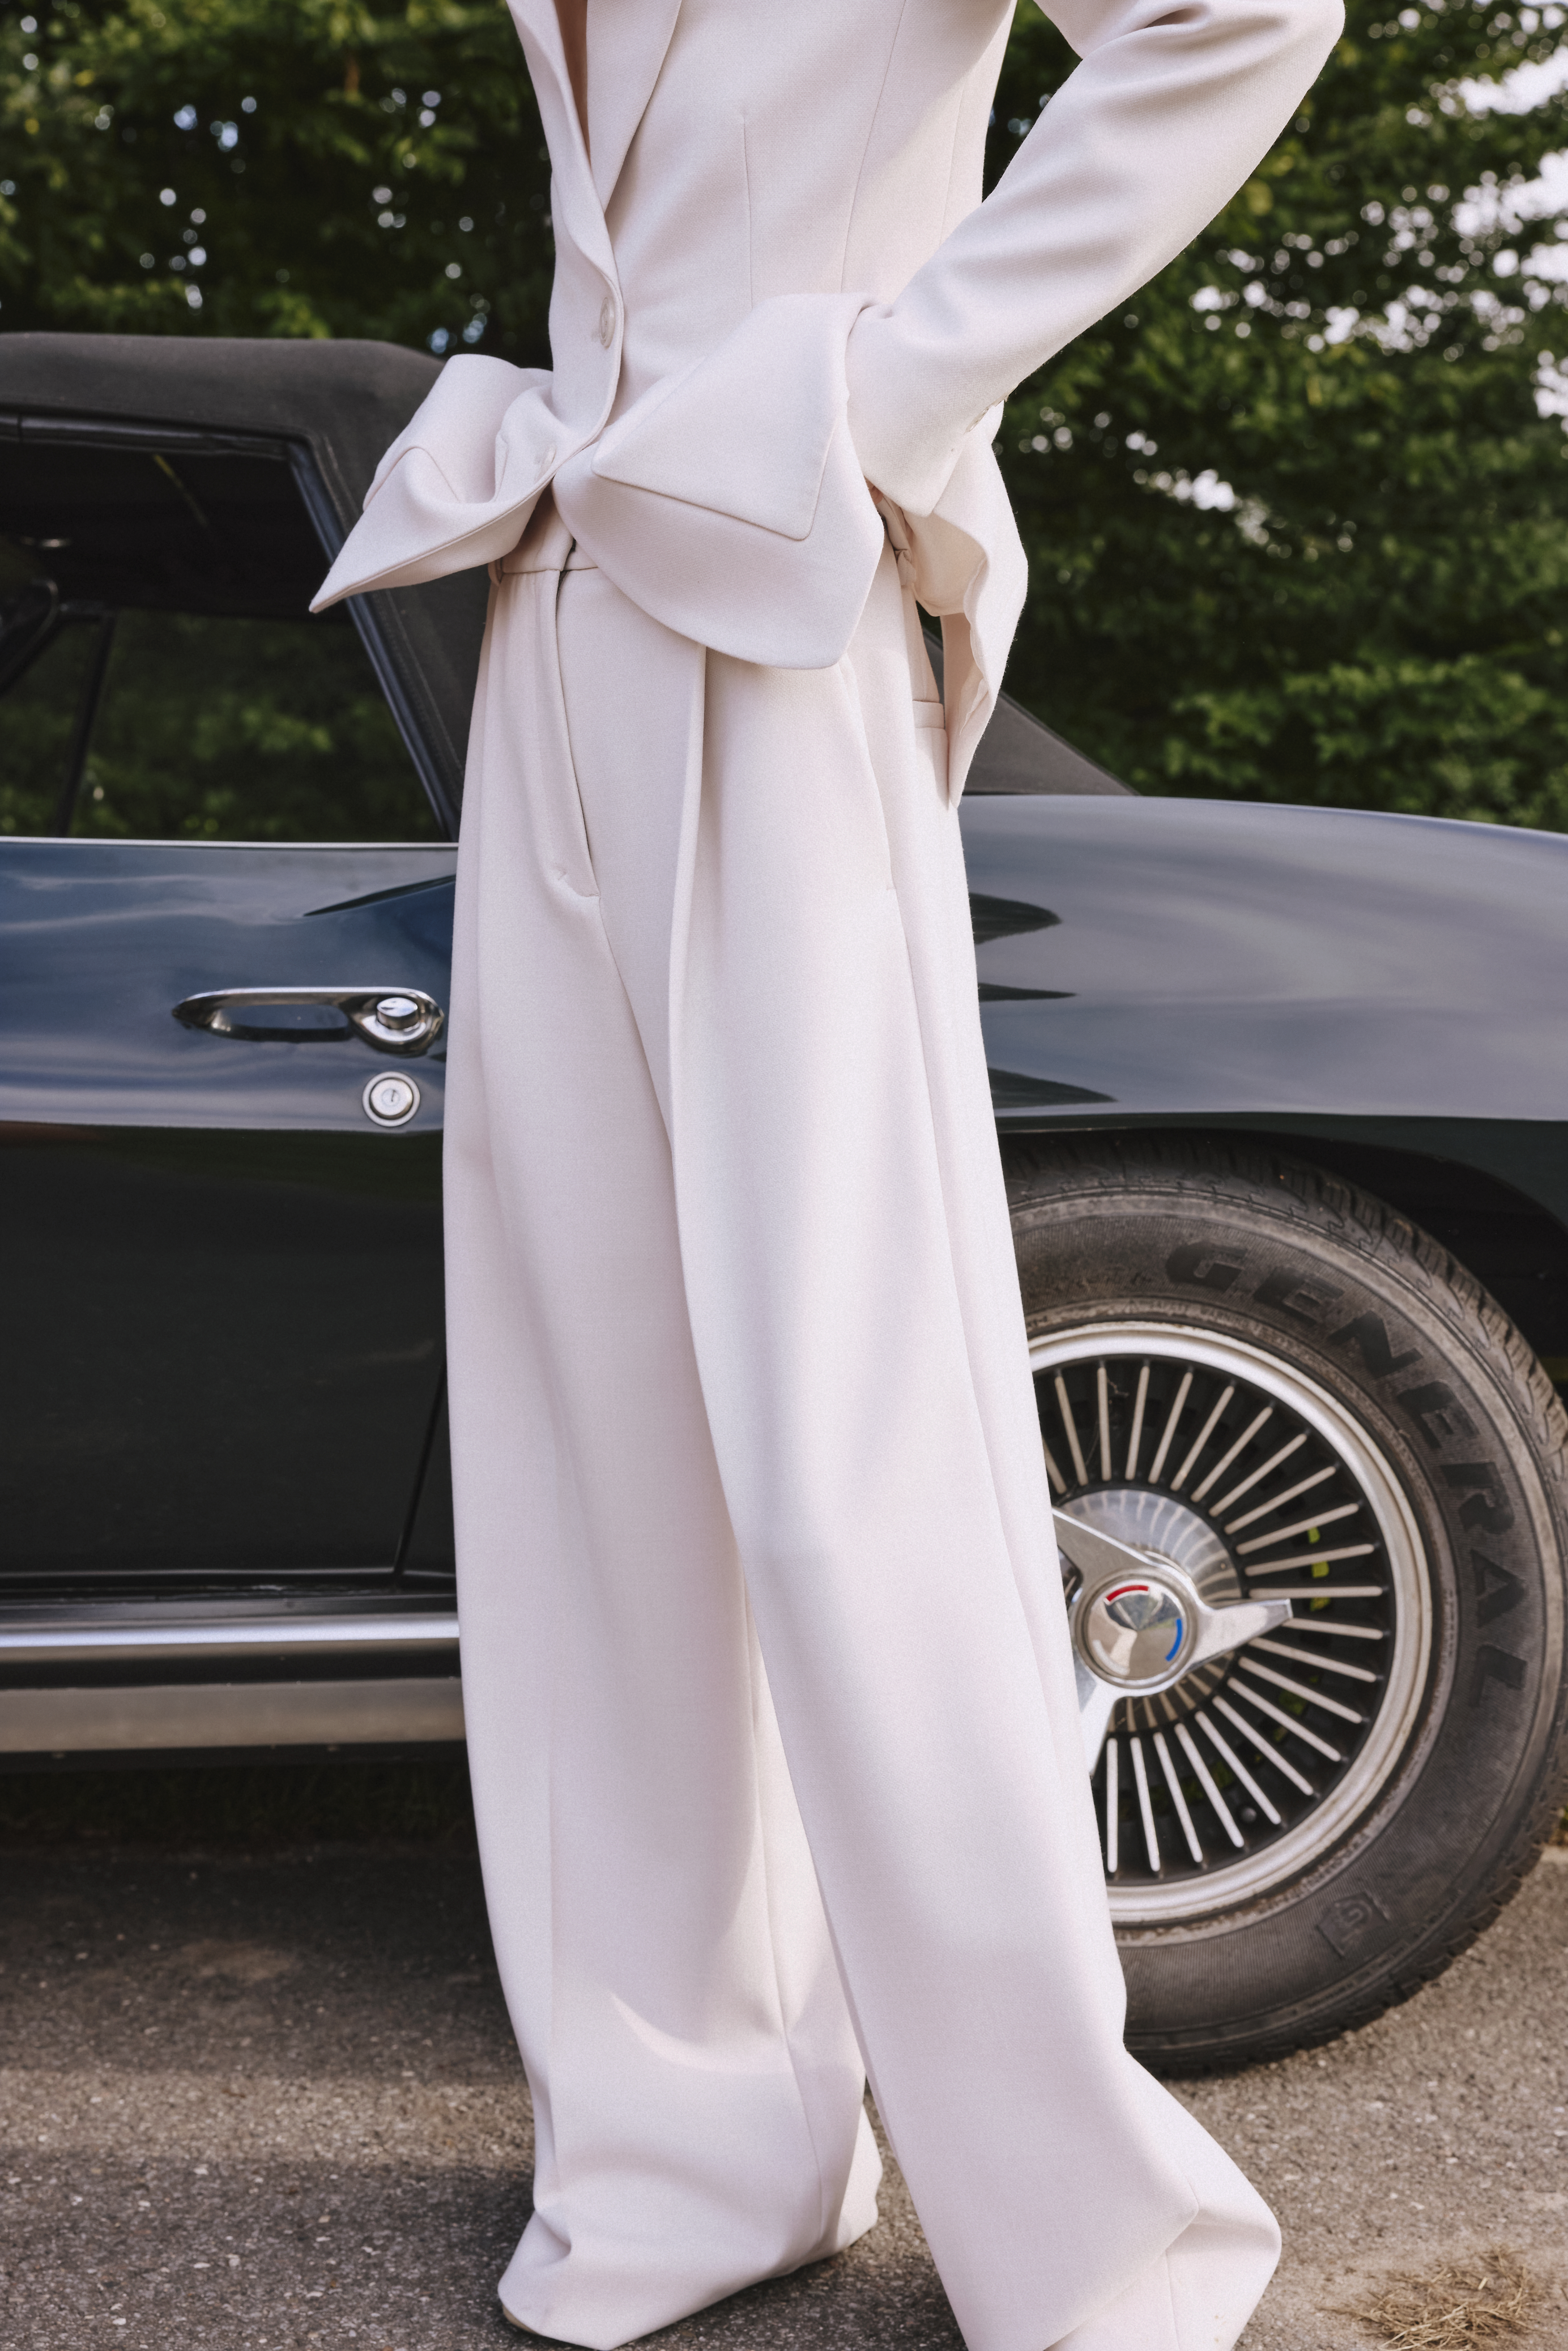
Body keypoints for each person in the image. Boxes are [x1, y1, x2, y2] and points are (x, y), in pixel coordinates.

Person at [313, 0, 1342, 2342]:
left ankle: (1082, 2225)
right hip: (557, 593)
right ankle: (688, 2153)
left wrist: (898, 384)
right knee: (595, 1437)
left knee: (841, 1449)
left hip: (777, 588)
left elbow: (1242, 11)